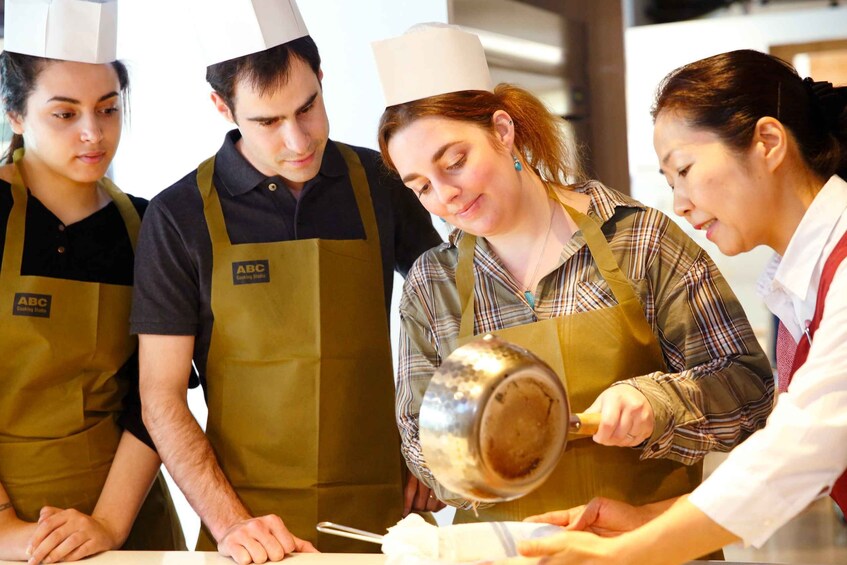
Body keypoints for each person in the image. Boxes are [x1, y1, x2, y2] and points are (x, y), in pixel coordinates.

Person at [372, 25, 774, 531]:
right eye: (421, 186)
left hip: (646, 547)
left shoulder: (642, 241)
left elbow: (749, 387)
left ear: (502, 131)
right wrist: (478, 458)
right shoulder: (433, 286)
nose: (444, 196)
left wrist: (657, 404)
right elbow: (418, 439)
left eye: (455, 163)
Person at [498, 49, 847, 565]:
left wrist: (626, 554)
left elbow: (798, 455)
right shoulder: (803, 277)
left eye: (684, 170)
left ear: (768, 142)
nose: (679, 203)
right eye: (669, 182)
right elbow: (802, 469)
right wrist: (646, 521)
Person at [131, 0, 442, 562]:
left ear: (322, 80)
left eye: (309, 108)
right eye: (269, 122)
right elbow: (160, 399)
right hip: (249, 529)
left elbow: (455, 307)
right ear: (221, 107)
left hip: (387, 518)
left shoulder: (381, 180)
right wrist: (231, 526)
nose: (299, 141)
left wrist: (433, 446)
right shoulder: (178, 216)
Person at [0, 1, 185, 564]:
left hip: (130, 519)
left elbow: (155, 399)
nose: (93, 133)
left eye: (107, 108)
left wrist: (107, 523)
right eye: (65, 114)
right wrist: (5, 527)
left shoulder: (152, 225)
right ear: (14, 114)